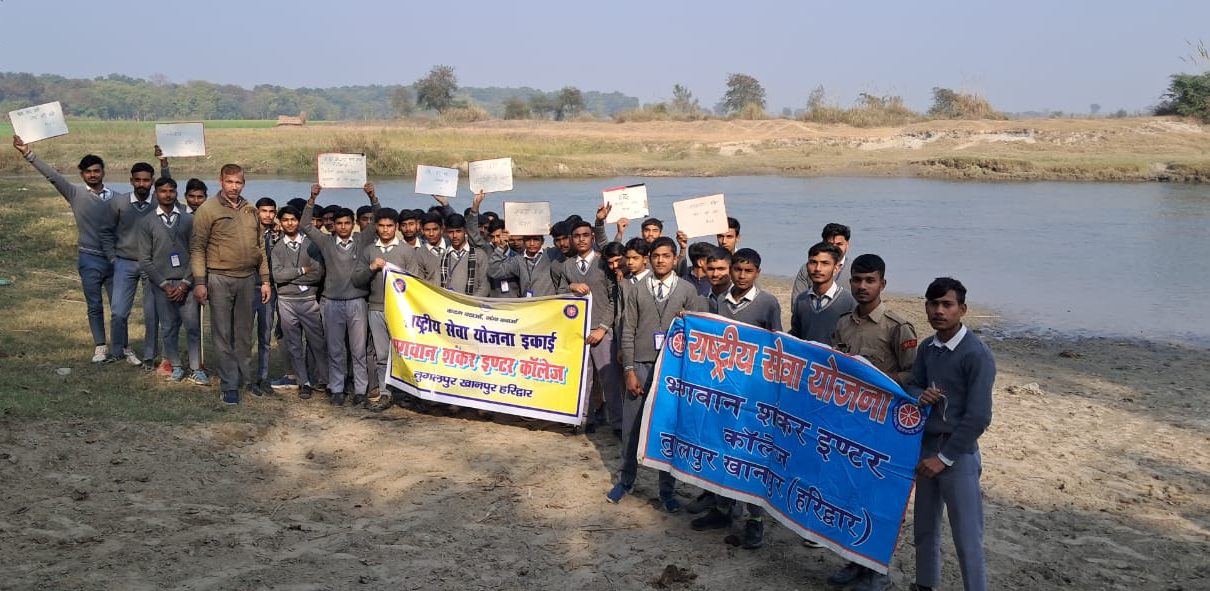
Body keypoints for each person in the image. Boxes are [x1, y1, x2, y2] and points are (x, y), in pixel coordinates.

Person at [825, 254, 919, 590]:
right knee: (849, 492)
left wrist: (878, 381)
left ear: (883, 284)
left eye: (870, 281)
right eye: (857, 280)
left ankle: (878, 571)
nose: (862, 286)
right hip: (850, 425)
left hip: (883, 429)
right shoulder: (843, 324)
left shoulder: (897, 327)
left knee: (879, 500)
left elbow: (914, 375)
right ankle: (854, 561)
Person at [909, 277, 994, 591]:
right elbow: (913, 384)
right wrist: (920, 395)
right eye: (934, 304)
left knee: (967, 536)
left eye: (947, 304)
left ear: (962, 309)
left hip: (958, 455)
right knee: (924, 528)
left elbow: (979, 417)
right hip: (927, 448)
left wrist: (944, 458)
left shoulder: (976, 354)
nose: (939, 311)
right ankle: (925, 584)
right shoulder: (927, 348)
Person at [692, 247, 781, 548]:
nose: (742, 276)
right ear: (731, 271)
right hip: (723, 390)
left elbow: (777, 347)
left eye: (748, 271)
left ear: (758, 272)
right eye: (738, 270)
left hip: (753, 394)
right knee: (720, 447)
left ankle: (755, 519)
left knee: (750, 455)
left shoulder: (768, 303)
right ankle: (722, 508)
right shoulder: (717, 301)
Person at [609, 235, 706, 511]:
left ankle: (667, 491)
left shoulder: (687, 290)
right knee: (632, 427)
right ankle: (626, 480)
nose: (660, 260)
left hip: (672, 368)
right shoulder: (638, 289)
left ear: (675, 259)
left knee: (667, 429)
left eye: (666, 256)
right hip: (641, 364)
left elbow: (698, 332)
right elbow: (628, 330)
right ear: (649, 259)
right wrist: (629, 370)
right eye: (656, 256)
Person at [12, 135, 117, 362]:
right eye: (88, 172)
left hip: (114, 260)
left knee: (119, 307)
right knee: (94, 304)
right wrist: (28, 154)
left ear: (103, 172)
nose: (92, 175)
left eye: (96, 171)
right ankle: (100, 346)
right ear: (82, 175)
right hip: (89, 259)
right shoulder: (75, 194)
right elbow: (53, 176)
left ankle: (121, 347)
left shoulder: (117, 199)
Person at [190, 164, 272, 405]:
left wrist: (265, 280)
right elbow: (198, 247)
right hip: (219, 277)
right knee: (223, 333)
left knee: (244, 334)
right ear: (221, 182)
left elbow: (260, 247)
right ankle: (229, 385)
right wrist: (200, 281)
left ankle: (245, 379)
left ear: (243, 183)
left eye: (238, 182)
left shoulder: (250, 209)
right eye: (230, 182)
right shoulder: (208, 209)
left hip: (247, 279)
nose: (234, 187)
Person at [302, 183, 378, 407]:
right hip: (332, 303)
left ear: (353, 224)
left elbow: (377, 221)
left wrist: (372, 196)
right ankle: (337, 388)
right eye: (339, 223)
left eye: (347, 223)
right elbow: (305, 224)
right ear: (333, 226)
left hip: (357, 302)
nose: (343, 227)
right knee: (335, 348)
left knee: (358, 349)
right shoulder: (326, 243)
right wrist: (312, 197)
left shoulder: (361, 240)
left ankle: (360, 390)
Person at [555, 221, 621, 432]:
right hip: (577, 330)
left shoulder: (603, 263)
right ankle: (583, 419)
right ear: (571, 239)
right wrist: (571, 286)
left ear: (592, 237)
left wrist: (602, 328)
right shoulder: (567, 265)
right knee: (582, 378)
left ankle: (617, 423)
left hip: (601, 330)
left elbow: (614, 298)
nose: (581, 239)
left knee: (609, 379)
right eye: (577, 236)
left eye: (585, 235)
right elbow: (559, 293)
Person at [352, 208, 419, 411]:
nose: (385, 230)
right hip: (376, 308)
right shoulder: (369, 251)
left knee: (404, 353)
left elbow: (414, 282)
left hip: (401, 310)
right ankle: (385, 392)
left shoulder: (407, 251)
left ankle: (407, 393)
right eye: (381, 226)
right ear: (376, 227)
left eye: (389, 226)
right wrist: (371, 267)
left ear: (396, 227)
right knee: (381, 355)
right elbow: (356, 279)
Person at [103, 157, 165, 367]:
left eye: (146, 180)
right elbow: (106, 232)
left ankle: (149, 356)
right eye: (137, 180)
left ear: (152, 181)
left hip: (152, 265)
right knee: (118, 311)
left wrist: (165, 164)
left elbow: (171, 191)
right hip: (124, 262)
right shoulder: (119, 203)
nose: (141, 184)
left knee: (151, 313)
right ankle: (117, 351)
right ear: (131, 181)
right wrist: (112, 257)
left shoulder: (158, 203)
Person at [136, 177, 196, 381]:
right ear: (156, 194)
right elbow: (145, 259)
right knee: (168, 326)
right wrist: (164, 285)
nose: (168, 195)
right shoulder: (147, 222)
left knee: (192, 326)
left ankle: (196, 367)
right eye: (163, 191)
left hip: (186, 282)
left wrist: (186, 283)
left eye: (171, 191)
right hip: (162, 284)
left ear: (176, 193)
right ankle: (175, 365)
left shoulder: (188, 219)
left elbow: (196, 253)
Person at [271, 206, 327, 400]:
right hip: (286, 301)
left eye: (293, 219)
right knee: (293, 344)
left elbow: (317, 274)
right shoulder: (278, 247)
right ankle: (304, 383)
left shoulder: (312, 245)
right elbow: (277, 276)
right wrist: (302, 270)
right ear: (280, 223)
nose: (289, 223)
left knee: (317, 342)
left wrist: (290, 278)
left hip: (309, 300)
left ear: (299, 221)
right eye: (285, 220)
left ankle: (324, 379)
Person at [789, 242, 856, 345]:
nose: (818, 269)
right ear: (807, 266)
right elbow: (796, 335)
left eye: (825, 263)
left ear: (836, 268)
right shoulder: (801, 300)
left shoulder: (848, 302)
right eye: (813, 262)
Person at [791, 222, 852, 311]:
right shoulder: (808, 269)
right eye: (830, 244)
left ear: (847, 245)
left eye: (839, 244)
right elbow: (797, 305)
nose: (835, 248)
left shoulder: (854, 270)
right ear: (823, 243)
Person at [487, 232, 561, 298]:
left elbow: (565, 246)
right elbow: (494, 271)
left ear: (542, 241)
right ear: (524, 241)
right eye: (528, 240)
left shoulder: (551, 254)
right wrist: (501, 247)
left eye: (536, 239)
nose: (532, 243)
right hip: (527, 305)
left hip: (548, 305)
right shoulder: (518, 260)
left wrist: (555, 231)